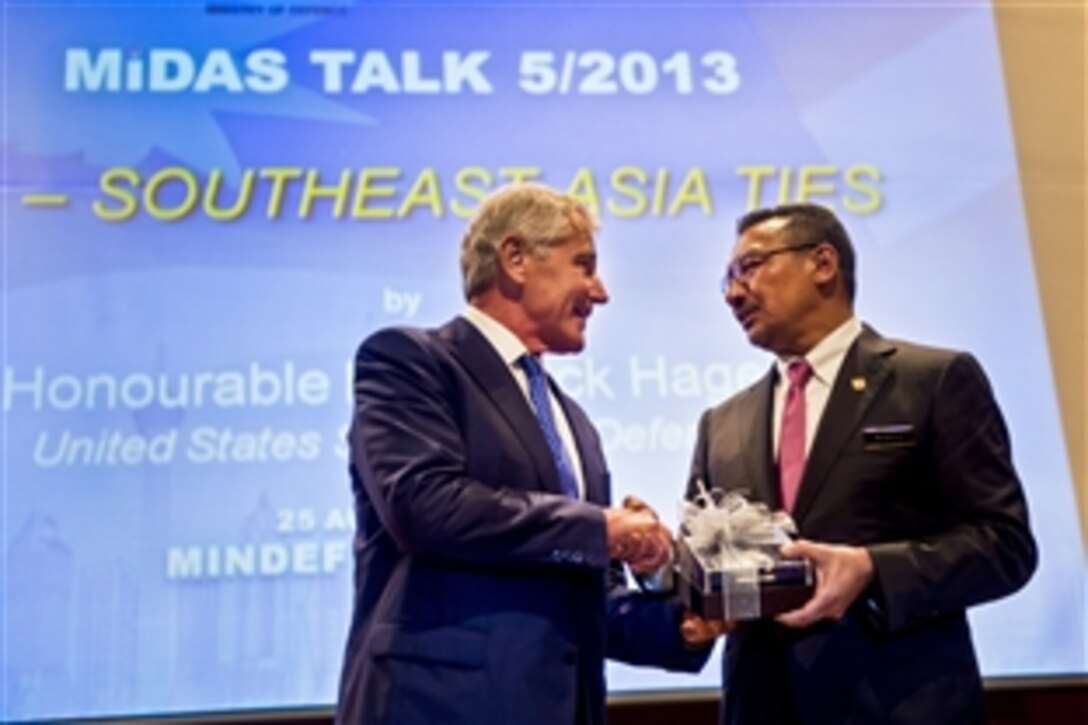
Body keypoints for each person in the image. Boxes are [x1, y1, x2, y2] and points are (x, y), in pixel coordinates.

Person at [335, 183, 719, 725]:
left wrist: (680, 627)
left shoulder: (574, 423)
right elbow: (425, 505)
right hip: (436, 707)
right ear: (515, 259)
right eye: (583, 265)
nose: (601, 290)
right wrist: (601, 529)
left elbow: (586, 597)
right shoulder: (409, 360)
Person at [687, 202, 1037, 724]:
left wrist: (872, 570)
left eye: (749, 268)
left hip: (900, 703)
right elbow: (702, 565)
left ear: (823, 264)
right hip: (762, 705)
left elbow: (1004, 546)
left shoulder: (933, 381)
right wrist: (657, 569)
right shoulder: (722, 423)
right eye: (726, 281)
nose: (734, 293)